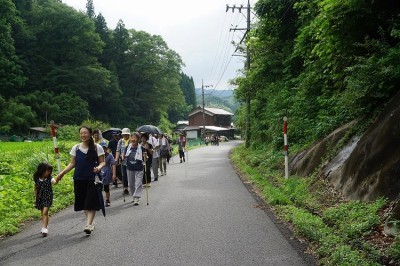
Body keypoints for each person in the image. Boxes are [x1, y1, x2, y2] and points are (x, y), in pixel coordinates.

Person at [57, 126, 106, 235]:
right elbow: (72, 163)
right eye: (81, 133)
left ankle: (88, 224)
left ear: (90, 134)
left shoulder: (97, 147)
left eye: (85, 133)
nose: (83, 135)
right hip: (79, 178)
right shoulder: (76, 148)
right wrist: (62, 173)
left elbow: (103, 162)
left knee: (91, 202)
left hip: (93, 179)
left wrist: (98, 168)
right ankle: (91, 222)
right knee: (84, 202)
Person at [33, 162, 58, 237]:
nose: (49, 172)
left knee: (45, 212)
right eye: (48, 171)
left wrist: (58, 177)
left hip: (48, 197)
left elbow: (54, 182)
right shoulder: (37, 179)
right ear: (42, 170)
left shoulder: (49, 178)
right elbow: (36, 188)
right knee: (43, 213)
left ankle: (44, 228)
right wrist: (35, 196)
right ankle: (45, 226)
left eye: (50, 171)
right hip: (40, 198)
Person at [125, 132, 145, 205]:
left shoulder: (141, 148)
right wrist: (122, 157)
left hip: (139, 168)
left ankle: (136, 197)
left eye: (135, 138)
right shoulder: (127, 147)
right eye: (132, 138)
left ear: (138, 139)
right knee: (131, 184)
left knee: (138, 183)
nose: (133, 139)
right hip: (130, 168)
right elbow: (124, 155)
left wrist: (145, 156)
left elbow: (146, 158)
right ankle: (134, 195)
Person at [100, 142, 117, 207]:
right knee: (98, 187)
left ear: (106, 148)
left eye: (104, 148)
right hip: (98, 172)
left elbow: (113, 164)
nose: (103, 149)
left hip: (107, 172)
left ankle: (107, 200)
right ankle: (99, 201)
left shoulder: (109, 155)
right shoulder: (97, 155)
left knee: (106, 187)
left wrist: (114, 174)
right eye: (102, 148)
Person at [115, 128, 131, 195]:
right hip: (123, 161)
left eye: (126, 134)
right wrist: (116, 159)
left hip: (131, 161)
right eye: (124, 134)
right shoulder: (120, 141)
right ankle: (125, 188)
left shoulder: (132, 140)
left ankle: (133, 187)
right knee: (124, 175)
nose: (125, 136)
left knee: (130, 175)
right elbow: (118, 150)